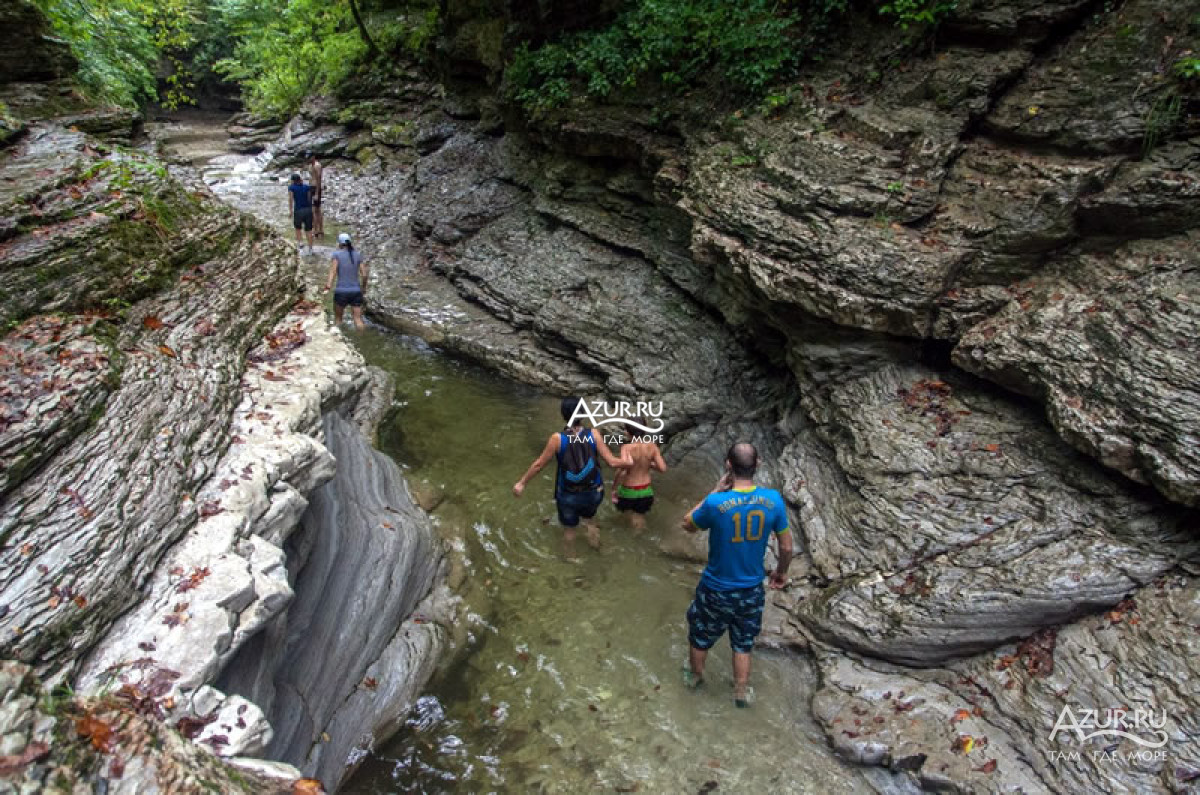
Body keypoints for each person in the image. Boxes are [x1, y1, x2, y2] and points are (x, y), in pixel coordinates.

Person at [681, 442, 793, 707]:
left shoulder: (716, 502)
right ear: (758, 465)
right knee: (743, 642)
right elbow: (786, 546)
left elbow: (687, 524)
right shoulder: (773, 500)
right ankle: (741, 691)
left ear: (728, 465)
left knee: (700, 635)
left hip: (716, 588)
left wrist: (714, 491)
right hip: (751, 589)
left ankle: (696, 678)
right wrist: (781, 572)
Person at [513, 397, 632, 556]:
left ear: (564, 415)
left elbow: (539, 464)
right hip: (593, 492)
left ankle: (571, 560)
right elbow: (612, 462)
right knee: (590, 520)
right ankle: (597, 549)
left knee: (569, 531)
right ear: (582, 414)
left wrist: (522, 483)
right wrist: (627, 462)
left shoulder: (557, 439)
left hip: (568, 495)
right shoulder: (594, 434)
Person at [611, 419, 667, 531]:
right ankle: (639, 531)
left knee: (626, 515)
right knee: (639, 516)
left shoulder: (626, 448)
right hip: (646, 491)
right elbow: (663, 468)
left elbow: (621, 470)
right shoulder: (652, 446)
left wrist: (614, 488)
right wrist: (649, 464)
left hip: (628, 491)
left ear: (627, 432)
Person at [325, 232, 368, 330]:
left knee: (338, 320)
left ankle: (338, 341)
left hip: (341, 291)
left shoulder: (336, 255)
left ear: (339, 244)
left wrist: (328, 286)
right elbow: (364, 274)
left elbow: (333, 272)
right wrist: (363, 288)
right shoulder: (357, 255)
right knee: (358, 319)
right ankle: (361, 340)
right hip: (356, 291)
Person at [287, 173, 314, 254]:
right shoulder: (307, 187)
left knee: (298, 228)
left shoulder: (291, 188)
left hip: (298, 210)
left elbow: (291, 199)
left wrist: (290, 211)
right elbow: (309, 199)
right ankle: (310, 249)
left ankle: (301, 245)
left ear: (293, 181)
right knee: (309, 230)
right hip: (308, 210)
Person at [306, 151, 325, 239]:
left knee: (316, 210)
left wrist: (317, 193)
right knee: (314, 209)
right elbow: (311, 177)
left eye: (310, 157)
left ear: (313, 156)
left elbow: (319, 180)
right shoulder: (310, 166)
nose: (309, 159)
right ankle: (317, 229)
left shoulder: (317, 166)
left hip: (316, 188)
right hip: (311, 187)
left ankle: (318, 230)